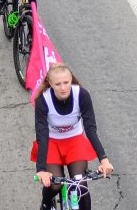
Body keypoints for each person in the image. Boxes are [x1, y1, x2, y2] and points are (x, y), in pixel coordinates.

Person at [32, 63, 113, 210]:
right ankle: (45, 203)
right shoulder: (43, 100)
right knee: (55, 185)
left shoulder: (82, 95)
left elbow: (90, 129)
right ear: (50, 83)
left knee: (80, 186)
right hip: (51, 142)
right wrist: (41, 169)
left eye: (66, 82)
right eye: (58, 84)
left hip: (74, 141)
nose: (63, 88)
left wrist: (104, 160)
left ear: (71, 80)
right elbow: (42, 135)